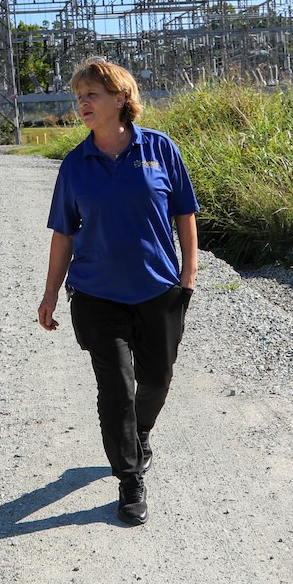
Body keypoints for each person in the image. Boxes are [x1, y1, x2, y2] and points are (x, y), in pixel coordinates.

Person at [38, 57, 199, 526]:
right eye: (79, 96)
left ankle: (140, 434)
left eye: (92, 94)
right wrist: (50, 295)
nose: (83, 103)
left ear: (121, 99)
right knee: (115, 387)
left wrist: (187, 278)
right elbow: (63, 234)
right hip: (95, 294)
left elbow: (185, 215)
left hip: (158, 290)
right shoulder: (75, 164)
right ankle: (129, 479)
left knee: (156, 381)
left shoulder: (161, 149)